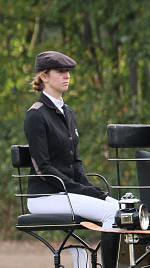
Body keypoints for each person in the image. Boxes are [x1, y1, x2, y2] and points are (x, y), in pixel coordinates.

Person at [24, 51, 119, 227]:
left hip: (66, 192)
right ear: (44, 76)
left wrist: (93, 190)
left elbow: (76, 162)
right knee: (111, 213)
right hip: (44, 196)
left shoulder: (68, 113)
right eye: (60, 71)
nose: (67, 76)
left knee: (121, 209)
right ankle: (107, 257)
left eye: (68, 71)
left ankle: (83, 254)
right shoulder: (36, 115)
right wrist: (81, 190)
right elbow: (43, 168)